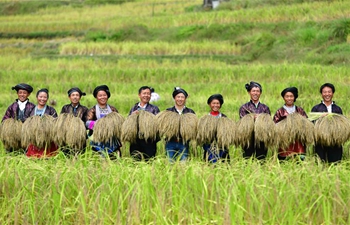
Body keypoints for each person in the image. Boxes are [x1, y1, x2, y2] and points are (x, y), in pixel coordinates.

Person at [86, 85, 121, 159]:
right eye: (100, 95)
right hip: (98, 141)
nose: (103, 97)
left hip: (112, 141)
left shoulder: (113, 109)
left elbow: (118, 122)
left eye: (104, 95)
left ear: (107, 96)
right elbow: (87, 123)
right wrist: (101, 124)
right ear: (96, 97)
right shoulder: (93, 110)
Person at [273, 87, 308, 160]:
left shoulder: (299, 110)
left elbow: (306, 124)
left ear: (294, 97)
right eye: (287, 96)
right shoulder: (280, 112)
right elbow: (274, 125)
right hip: (284, 144)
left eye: (291, 96)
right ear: (284, 98)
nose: (289, 98)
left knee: (300, 162)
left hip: (298, 143)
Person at [311, 83, 343, 163]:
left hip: (334, 141)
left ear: (332, 93)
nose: (327, 94)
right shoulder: (316, 108)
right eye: (324, 92)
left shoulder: (337, 109)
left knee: (335, 163)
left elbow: (342, 124)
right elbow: (311, 124)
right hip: (320, 141)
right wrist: (321, 118)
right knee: (320, 163)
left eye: (329, 92)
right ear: (321, 94)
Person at [239, 81, 271, 160]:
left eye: (257, 91)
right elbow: (243, 121)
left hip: (262, 137)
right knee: (247, 159)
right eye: (253, 91)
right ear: (249, 92)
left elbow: (268, 121)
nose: (255, 93)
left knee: (261, 159)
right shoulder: (244, 107)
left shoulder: (265, 108)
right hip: (248, 138)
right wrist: (251, 117)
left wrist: (260, 118)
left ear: (260, 93)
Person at [128, 86, 160, 161]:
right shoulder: (134, 108)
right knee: (135, 161)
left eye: (148, 94)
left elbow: (158, 125)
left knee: (149, 161)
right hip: (135, 140)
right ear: (139, 95)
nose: (146, 95)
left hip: (149, 141)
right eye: (144, 93)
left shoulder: (154, 109)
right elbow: (128, 124)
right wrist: (132, 116)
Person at [165, 87, 195, 162]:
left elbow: (194, 127)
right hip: (170, 142)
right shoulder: (168, 111)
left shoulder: (190, 112)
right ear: (174, 98)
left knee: (183, 164)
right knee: (170, 163)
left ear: (185, 99)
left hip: (184, 143)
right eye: (178, 97)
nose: (180, 99)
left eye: (182, 97)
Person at [26, 88, 58, 157]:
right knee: (33, 157)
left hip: (47, 139)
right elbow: (27, 122)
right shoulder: (31, 109)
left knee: (48, 156)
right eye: (40, 97)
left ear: (47, 98)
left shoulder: (51, 110)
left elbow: (56, 123)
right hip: (33, 138)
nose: (42, 99)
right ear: (37, 97)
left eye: (45, 97)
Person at [60, 87, 89, 155]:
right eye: (73, 95)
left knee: (80, 155)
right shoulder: (65, 108)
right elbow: (61, 122)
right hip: (66, 137)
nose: (75, 97)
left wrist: (78, 126)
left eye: (77, 95)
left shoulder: (84, 109)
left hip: (80, 137)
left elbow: (87, 122)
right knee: (67, 154)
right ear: (69, 97)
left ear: (80, 97)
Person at [203, 94, 230, 163]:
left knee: (223, 164)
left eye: (218, 103)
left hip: (222, 146)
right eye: (213, 103)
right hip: (209, 146)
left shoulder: (224, 118)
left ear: (220, 105)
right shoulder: (205, 119)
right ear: (209, 104)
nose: (215, 105)